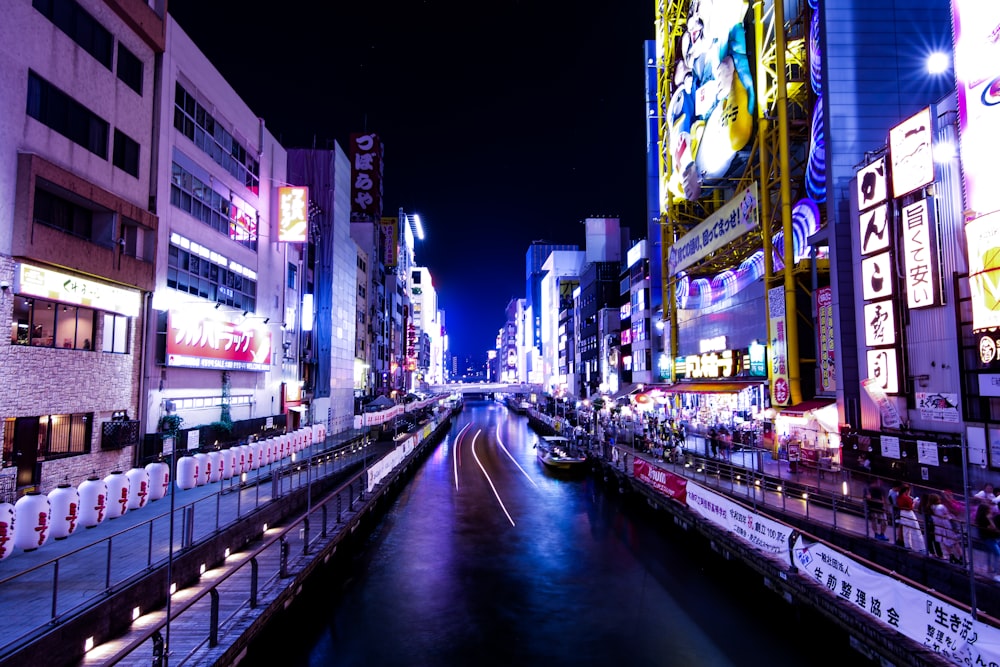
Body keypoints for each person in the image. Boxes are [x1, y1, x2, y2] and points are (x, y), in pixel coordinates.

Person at [930, 495, 966, 565]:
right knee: (955, 541)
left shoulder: (931, 507)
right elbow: (947, 515)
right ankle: (961, 557)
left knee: (944, 541)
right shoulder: (941, 507)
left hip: (938, 526)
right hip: (945, 525)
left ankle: (951, 556)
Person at [895, 485, 926, 553]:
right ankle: (920, 548)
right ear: (907, 490)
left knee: (906, 530)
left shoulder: (899, 497)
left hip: (902, 513)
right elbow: (910, 507)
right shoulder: (906, 498)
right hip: (909, 513)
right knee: (916, 529)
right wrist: (914, 502)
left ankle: (907, 545)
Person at [975, 503, 1000, 581]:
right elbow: (993, 528)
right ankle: (997, 572)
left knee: (990, 553)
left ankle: (990, 568)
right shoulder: (984, 519)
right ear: (985, 511)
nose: (991, 510)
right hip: (988, 538)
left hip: (990, 538)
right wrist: (989, 519)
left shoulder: (982, 518)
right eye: (989, 509)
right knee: (998, 554)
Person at [922, 493, 944, 559]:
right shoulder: (934, 508)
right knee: (935, 540)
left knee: (930, 539)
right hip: (933, 525)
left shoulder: (927, 507)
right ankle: (939, 554)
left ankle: (932, 553)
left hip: (930, 525)